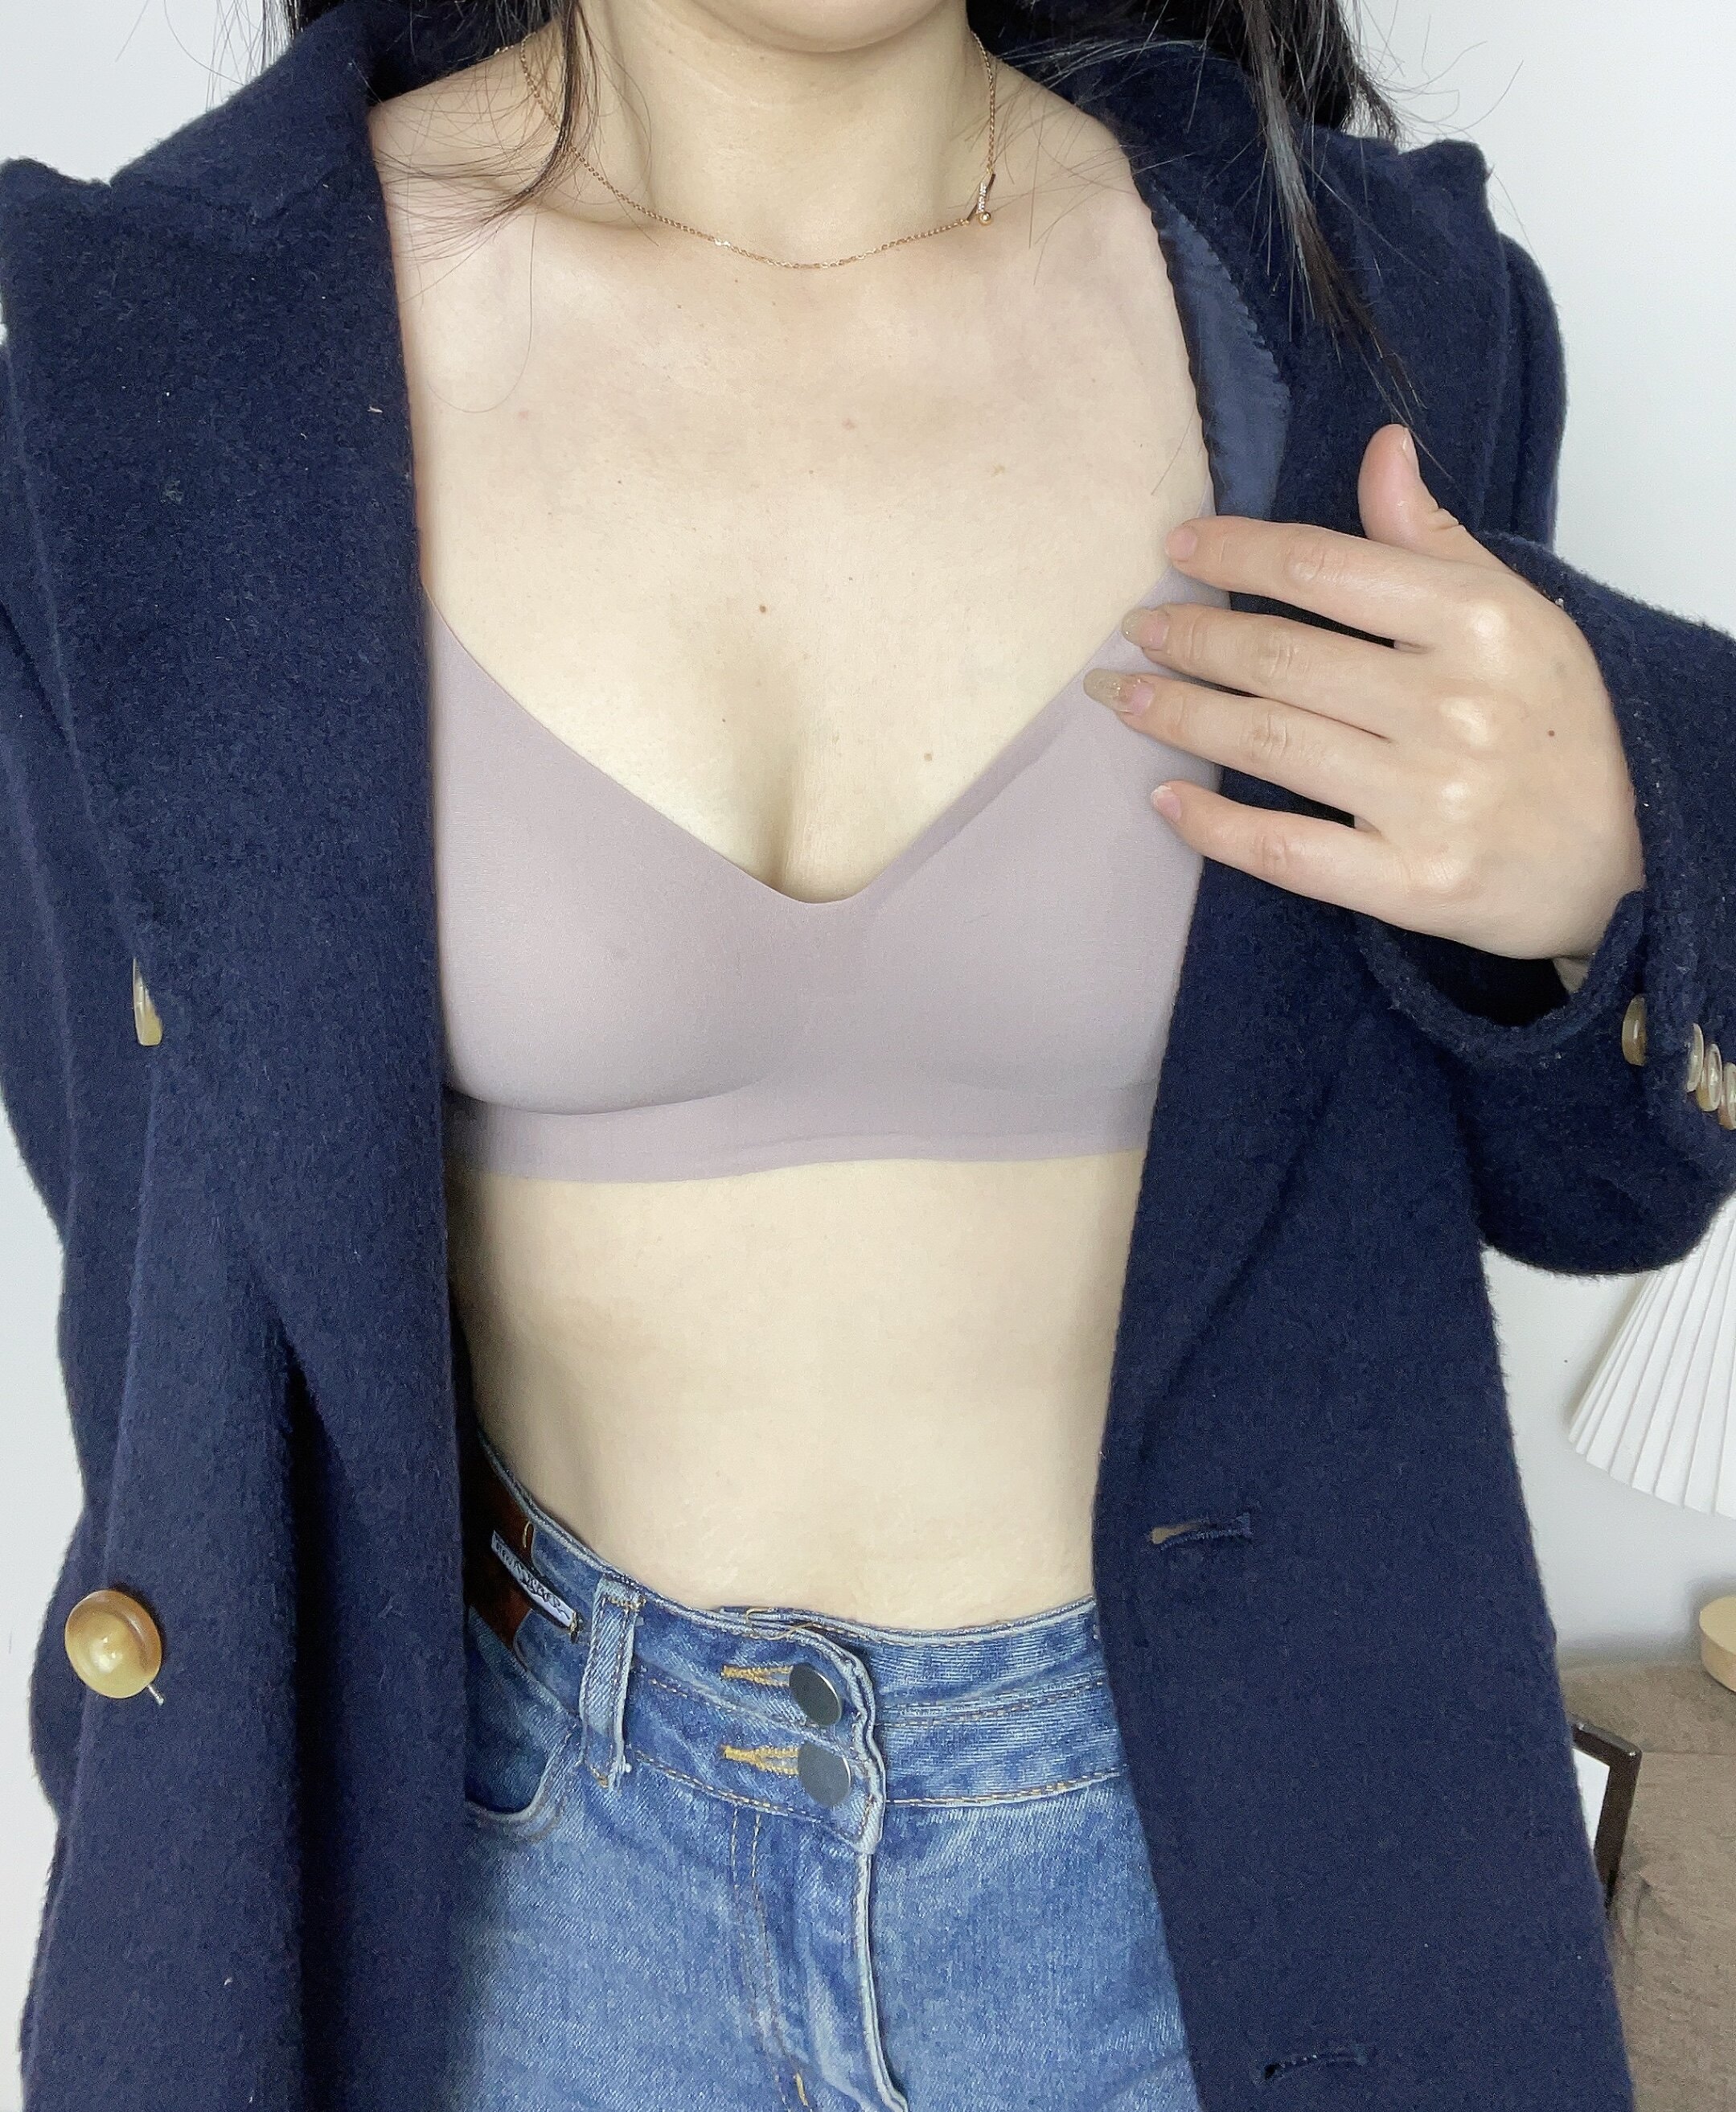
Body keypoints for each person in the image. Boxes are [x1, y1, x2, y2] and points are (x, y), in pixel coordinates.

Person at [1, 1, 1732, 2106]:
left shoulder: (1369, 318)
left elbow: (1588, 1184)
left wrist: (1631, 836)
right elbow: (155, 1293)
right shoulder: (153, 359)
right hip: (507, 1886)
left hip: (1232, 1869)